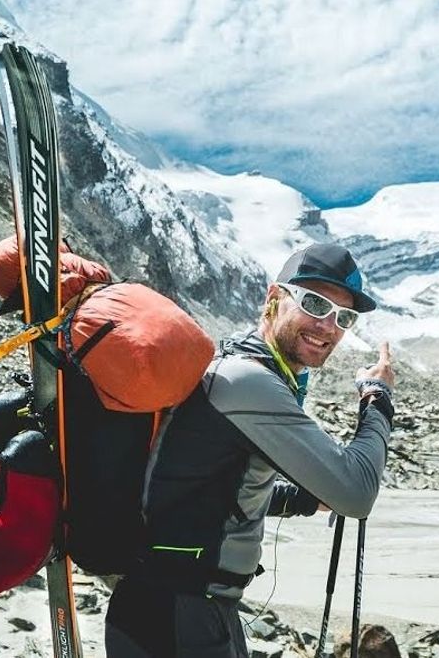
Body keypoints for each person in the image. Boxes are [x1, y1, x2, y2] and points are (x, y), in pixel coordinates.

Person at [105, 243, 395, 658]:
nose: (328, 325)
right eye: (314, 303)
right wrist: (377, 397)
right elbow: (356, 494)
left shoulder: (245, 368)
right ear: (274, 299)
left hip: (179, 608)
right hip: (179, 615)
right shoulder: (248, 381)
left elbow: (213, 487)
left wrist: (301, 499)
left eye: (343, 317)